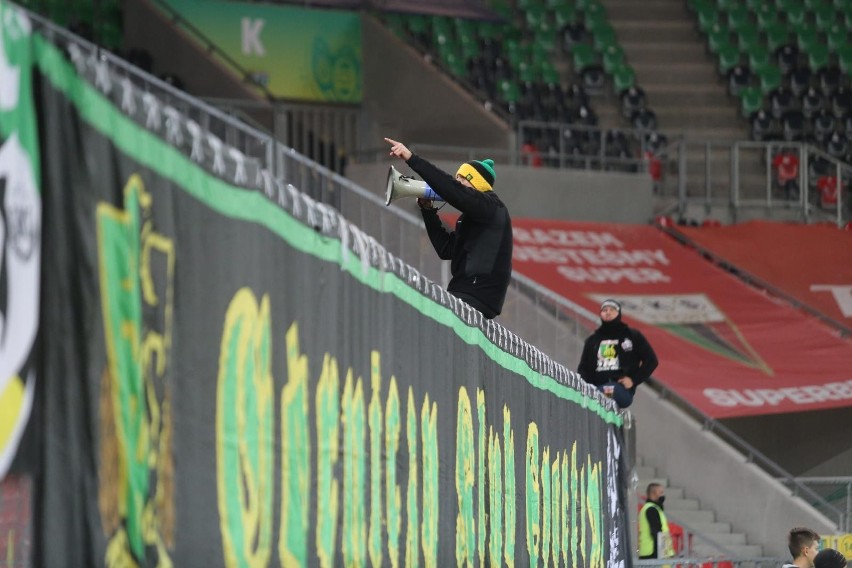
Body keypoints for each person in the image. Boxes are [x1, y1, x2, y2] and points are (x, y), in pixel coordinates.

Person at [384, 137, 513, 319]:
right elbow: (446, 249)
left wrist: (412, 159)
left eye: (461, 179)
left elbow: (452, 189)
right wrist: (428, 211)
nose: (457, 182)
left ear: (476, 183)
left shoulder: (490, 206)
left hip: (474, 294)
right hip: (468, 293)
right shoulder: (475, 216)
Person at [577, 299, 658, 408]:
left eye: (612, 310)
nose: (608, 312)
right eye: (605, 310)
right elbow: (583, 368)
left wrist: (633, 380)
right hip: (597, 388)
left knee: (605, 393)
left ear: (619, 314)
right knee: (595, 397)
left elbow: (651, 361)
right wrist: (587, 388)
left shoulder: (632, 336)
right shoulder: (592, 340)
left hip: (620, 389)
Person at [639, 483, 674, 560]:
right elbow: (657, 532)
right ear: (653, 494)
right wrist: (665, 553)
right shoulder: (651, 509)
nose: (663, 495)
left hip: (650, 552)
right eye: (661, 492)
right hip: (653, 554)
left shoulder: (653, 508)